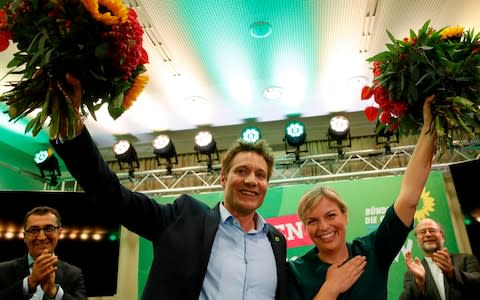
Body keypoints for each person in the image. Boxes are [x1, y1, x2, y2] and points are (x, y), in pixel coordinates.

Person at [49, 75, 288, 299]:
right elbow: (112, 196)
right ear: (223, 178)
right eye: (242, 171)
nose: (251, 181)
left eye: (260, 174)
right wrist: (72, 130)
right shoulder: (183, 218)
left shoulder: (276, 241)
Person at [287, 96, 437, 300]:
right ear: (305, 227)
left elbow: (409, 198)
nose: (323, 227)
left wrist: (429, 127)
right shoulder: (295, 272)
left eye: (330, 215)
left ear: (345, 216)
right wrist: (330, 289)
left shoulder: (372, 250)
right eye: (312, 221)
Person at [0, 206, 86, 300]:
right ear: (25, 236)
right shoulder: (3, 271)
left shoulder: (74, 274)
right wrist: (29, 283)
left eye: (48, 229)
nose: (41, 237)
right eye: (34, 230)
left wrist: (54, 292)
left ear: (59, 233)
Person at [399, 218, 480, 299]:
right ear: (417, 240)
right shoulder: (411, 274)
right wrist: (419, 283)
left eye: (432, 230)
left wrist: (452, 273)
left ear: (442, 237)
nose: (428, 234)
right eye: (422, 232)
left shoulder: (466, 259)